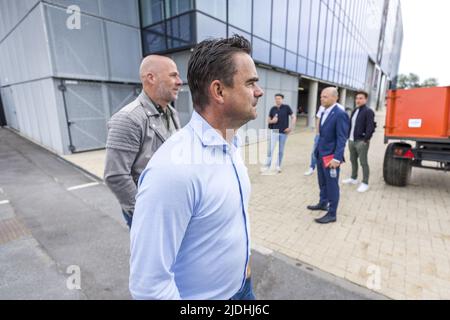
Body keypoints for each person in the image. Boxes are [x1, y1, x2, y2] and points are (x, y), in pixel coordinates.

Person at [129, 35, 264, 300]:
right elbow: (149, 286)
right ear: (219, 91)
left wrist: (243, 265)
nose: (258, 91)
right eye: (250, 83)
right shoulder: (172, 171)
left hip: (242, 288)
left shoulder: (230, 144)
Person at [104, 55, 182, 229]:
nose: (179, 81)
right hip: (148, 213)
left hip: (169, 205)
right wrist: (144, 211)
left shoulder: (171, 113)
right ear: (151, 78)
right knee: (152, 257)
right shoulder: (128, 119)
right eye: (173, 75)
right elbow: (115, 175)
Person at [307, 87, 349, 224]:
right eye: (321, 96)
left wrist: (337, 158)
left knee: (332, 185)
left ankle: (332, 213)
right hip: (321, 154)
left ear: (334, 98)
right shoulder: (325, 111)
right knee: (322, 182)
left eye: (325, 96)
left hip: (331, 158)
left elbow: (342, 138)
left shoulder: (340, 114)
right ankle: (323, 202)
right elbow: (322, 134)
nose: (321, 99)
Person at [342, 91, 375, 193]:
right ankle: (353, 178)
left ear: (366, 99)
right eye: (357, 98)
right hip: (351, 140)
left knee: (363, 162)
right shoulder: (355, 110)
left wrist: (366, 139)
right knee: (353, 160)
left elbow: (370, 127)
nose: (358, 100)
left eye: (361, 98)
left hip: (361, 141)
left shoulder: (368, 111)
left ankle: (365, 183)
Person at [305, 103, 346, 176]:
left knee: (328, 153)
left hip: (330, 138)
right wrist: (317, 133)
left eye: (325, 96)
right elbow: (318, 118)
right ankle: (312, 167)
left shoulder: (340, 108)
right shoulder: (322, 107)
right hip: (320, 135)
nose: (322, 99)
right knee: (314, 152)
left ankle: (327, 169)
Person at [261, 93, 297, 173]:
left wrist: (291, 127)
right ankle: (268, 165)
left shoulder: (286, 107)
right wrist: (272, 121)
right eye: (276, 98)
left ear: (282, 99)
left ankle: (278, 166)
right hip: (274, 131)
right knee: (271, 149)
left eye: (279, 98)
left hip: (283, 132)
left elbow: (293, 117)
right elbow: (268, 120)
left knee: (280, 150)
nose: (277, 100)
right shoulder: (273, 109)